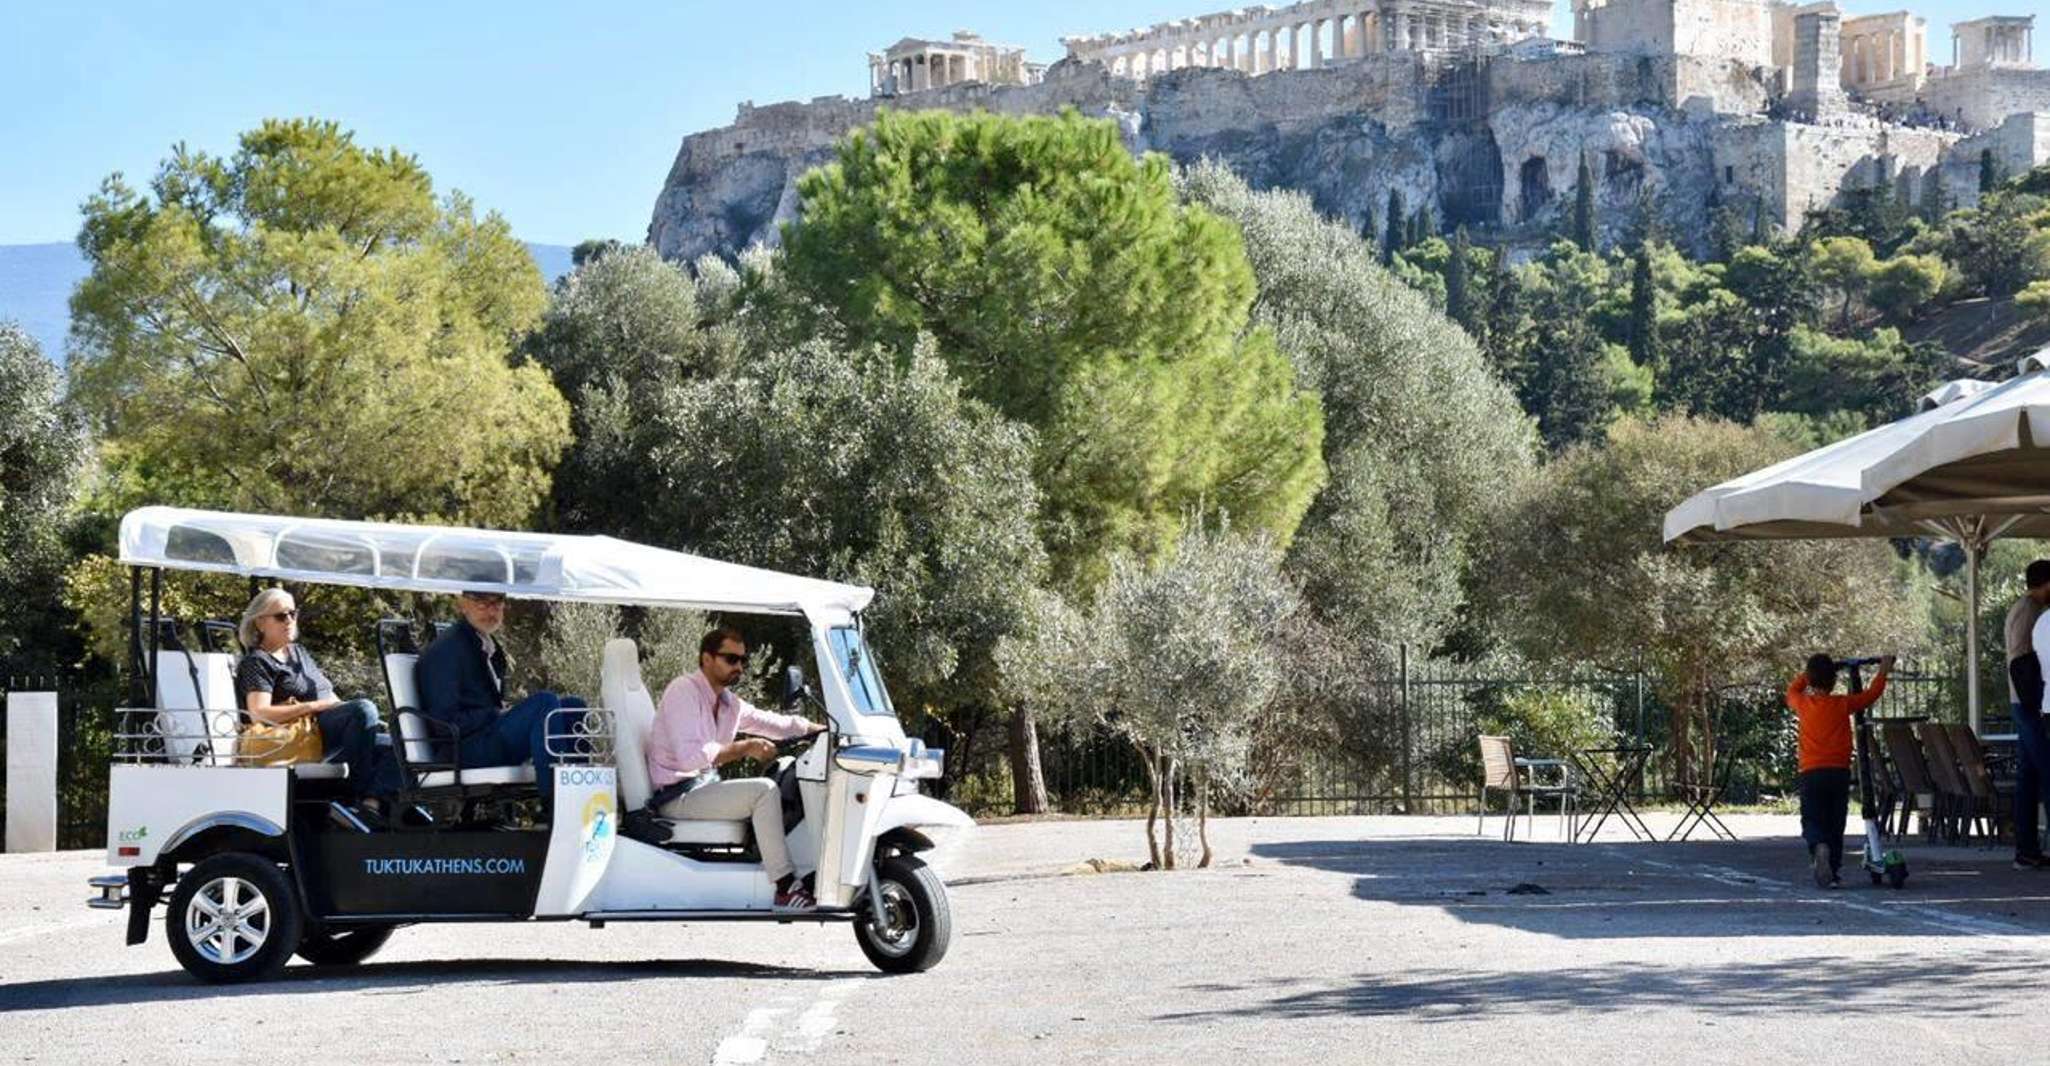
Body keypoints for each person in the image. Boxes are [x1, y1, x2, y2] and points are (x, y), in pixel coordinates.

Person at [647, 627, 824, 910]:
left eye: (742, 660)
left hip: (701, 787)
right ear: (707, 659)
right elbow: (690, 758)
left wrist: (823, 730)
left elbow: (774, 724)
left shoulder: (729, 703)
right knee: (764, 791)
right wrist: (744, 747)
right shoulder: (683, 691)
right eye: (731, 659)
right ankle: (785, 889)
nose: (739, 667)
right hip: (675, 795)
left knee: (777, 777)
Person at [415, 591, 585, 815]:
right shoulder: (448, 649)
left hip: (486, 737)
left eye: (497, 604)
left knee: (573, 706)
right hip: (461, 750)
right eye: (481, 604)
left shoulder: (483, 644)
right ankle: (556, 805)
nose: (491, 611)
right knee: (544, 702)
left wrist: (499, 714)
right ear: (463, 605)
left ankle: (580, 794)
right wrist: (495, 714)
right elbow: (443, 724)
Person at [234, 588, 402, 811]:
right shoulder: (257, 662)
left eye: (293, 613)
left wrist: (351, 712)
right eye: (281, 616)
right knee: (364, 708)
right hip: (297, 736)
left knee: (399, 744)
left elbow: (327, 694)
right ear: (260, 623)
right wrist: (315, 706)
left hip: (323, 731)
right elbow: (258, 713)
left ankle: (371, 802)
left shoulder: (298, 652)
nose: (289, 620)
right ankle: (352, 799)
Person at [1786, 652, 1893, 889]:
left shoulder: (1802, 703)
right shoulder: (1843, 704)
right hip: (1838, 771)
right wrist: (1883, 671)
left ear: (1810, 680)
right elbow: (1870, 695)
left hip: (1811, 772)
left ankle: (1818, 846)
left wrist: (1809, 674)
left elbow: (1792, 690)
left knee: (1812, 817)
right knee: (1836, 822)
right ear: (1834, 681)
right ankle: (1832, 872)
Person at [2006, 560, 2050, 869]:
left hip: (2022, 702)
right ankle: (2027, 848)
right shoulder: (2029, 612)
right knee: (2046, 769)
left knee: (2029, 775)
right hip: (2029, 703)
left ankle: (2026, 850)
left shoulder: (2025, 609)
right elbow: (2022, 660)